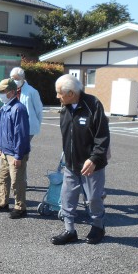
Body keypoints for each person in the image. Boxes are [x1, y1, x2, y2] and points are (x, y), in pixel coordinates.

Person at [52, 74, 110, 245]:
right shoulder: (65, 108)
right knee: (67, 197)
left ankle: (98, 226)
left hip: (91, 165)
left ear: (71, 93)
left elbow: (102, 136)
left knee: (93, 198)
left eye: (59, 93)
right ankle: (69, 230)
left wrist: (94, 158)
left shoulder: (93, 105)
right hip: (71, 164)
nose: (57, 96)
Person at [0, 78, 31, 219]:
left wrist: (18, 155)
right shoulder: (4, 108)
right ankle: (2, 203)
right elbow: (1, 129)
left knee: (17, 182)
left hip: (15, 153)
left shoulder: (18, 109)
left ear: (12, 92)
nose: (0, 94)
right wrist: (0, 146)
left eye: (2, 91)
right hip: (5, 151)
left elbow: (21, 134)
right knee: (2, 178)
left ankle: (20, 207)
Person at [9, 67, 43, 141]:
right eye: (12, 79)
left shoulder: (32, 91)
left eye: (16, 79)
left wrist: (37, 124)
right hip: (14, 124)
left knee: (22, 146)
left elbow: (39, 110)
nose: (14, 81)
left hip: (28, 126)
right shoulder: (12, 90)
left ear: (22, 78)